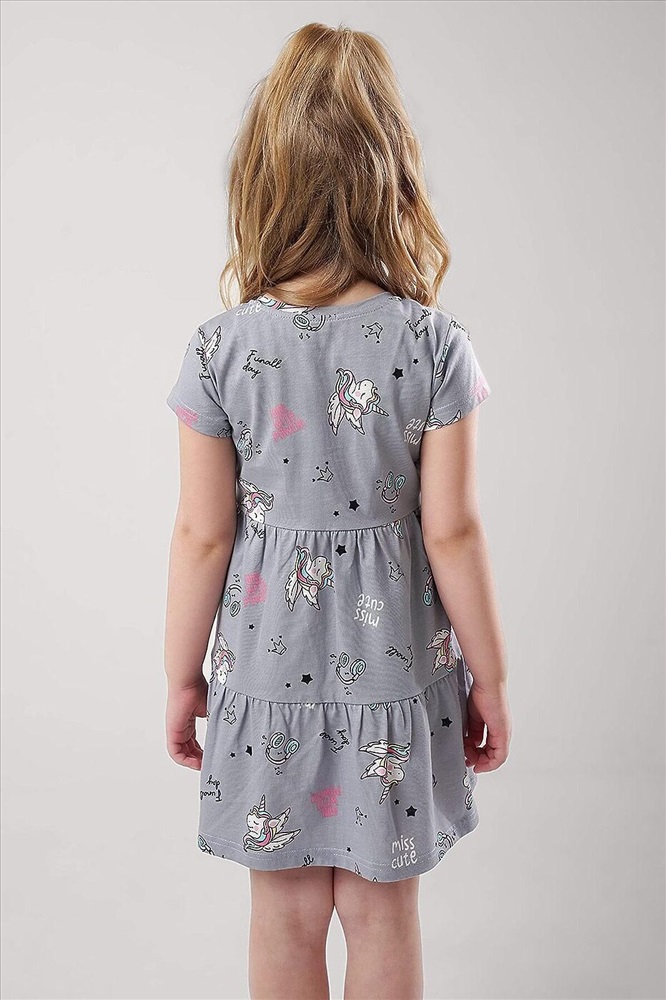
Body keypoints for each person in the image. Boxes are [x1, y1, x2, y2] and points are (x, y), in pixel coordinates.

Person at [163, 21, 511, 1000]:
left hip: (264, 674)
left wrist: (181, 676)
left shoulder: (221, 348)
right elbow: (452, 530)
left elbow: (202, 534)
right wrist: (490, 677)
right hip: (392, 680)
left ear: (265, 179)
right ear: (392, 178)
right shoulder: (433, 346)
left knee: (282, 917)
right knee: (383, 913)